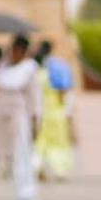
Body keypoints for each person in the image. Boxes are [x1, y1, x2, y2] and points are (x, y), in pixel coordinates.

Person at [0, 34, 42, 200]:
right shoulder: (4, 68)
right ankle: (20, 188)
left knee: (23, 152)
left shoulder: (30, 68)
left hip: (20, 115)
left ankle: (27, 190)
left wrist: (36, 118)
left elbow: (35, 96)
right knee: (11, 154)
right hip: (3, 115)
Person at [32, 39, 76, 181]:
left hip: (40, 113)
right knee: (58, 143)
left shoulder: (36, 71)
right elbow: (63, 90)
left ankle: (38, 166)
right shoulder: (58, 67)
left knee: (40, 143)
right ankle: (60, 170)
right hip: (56, 112)